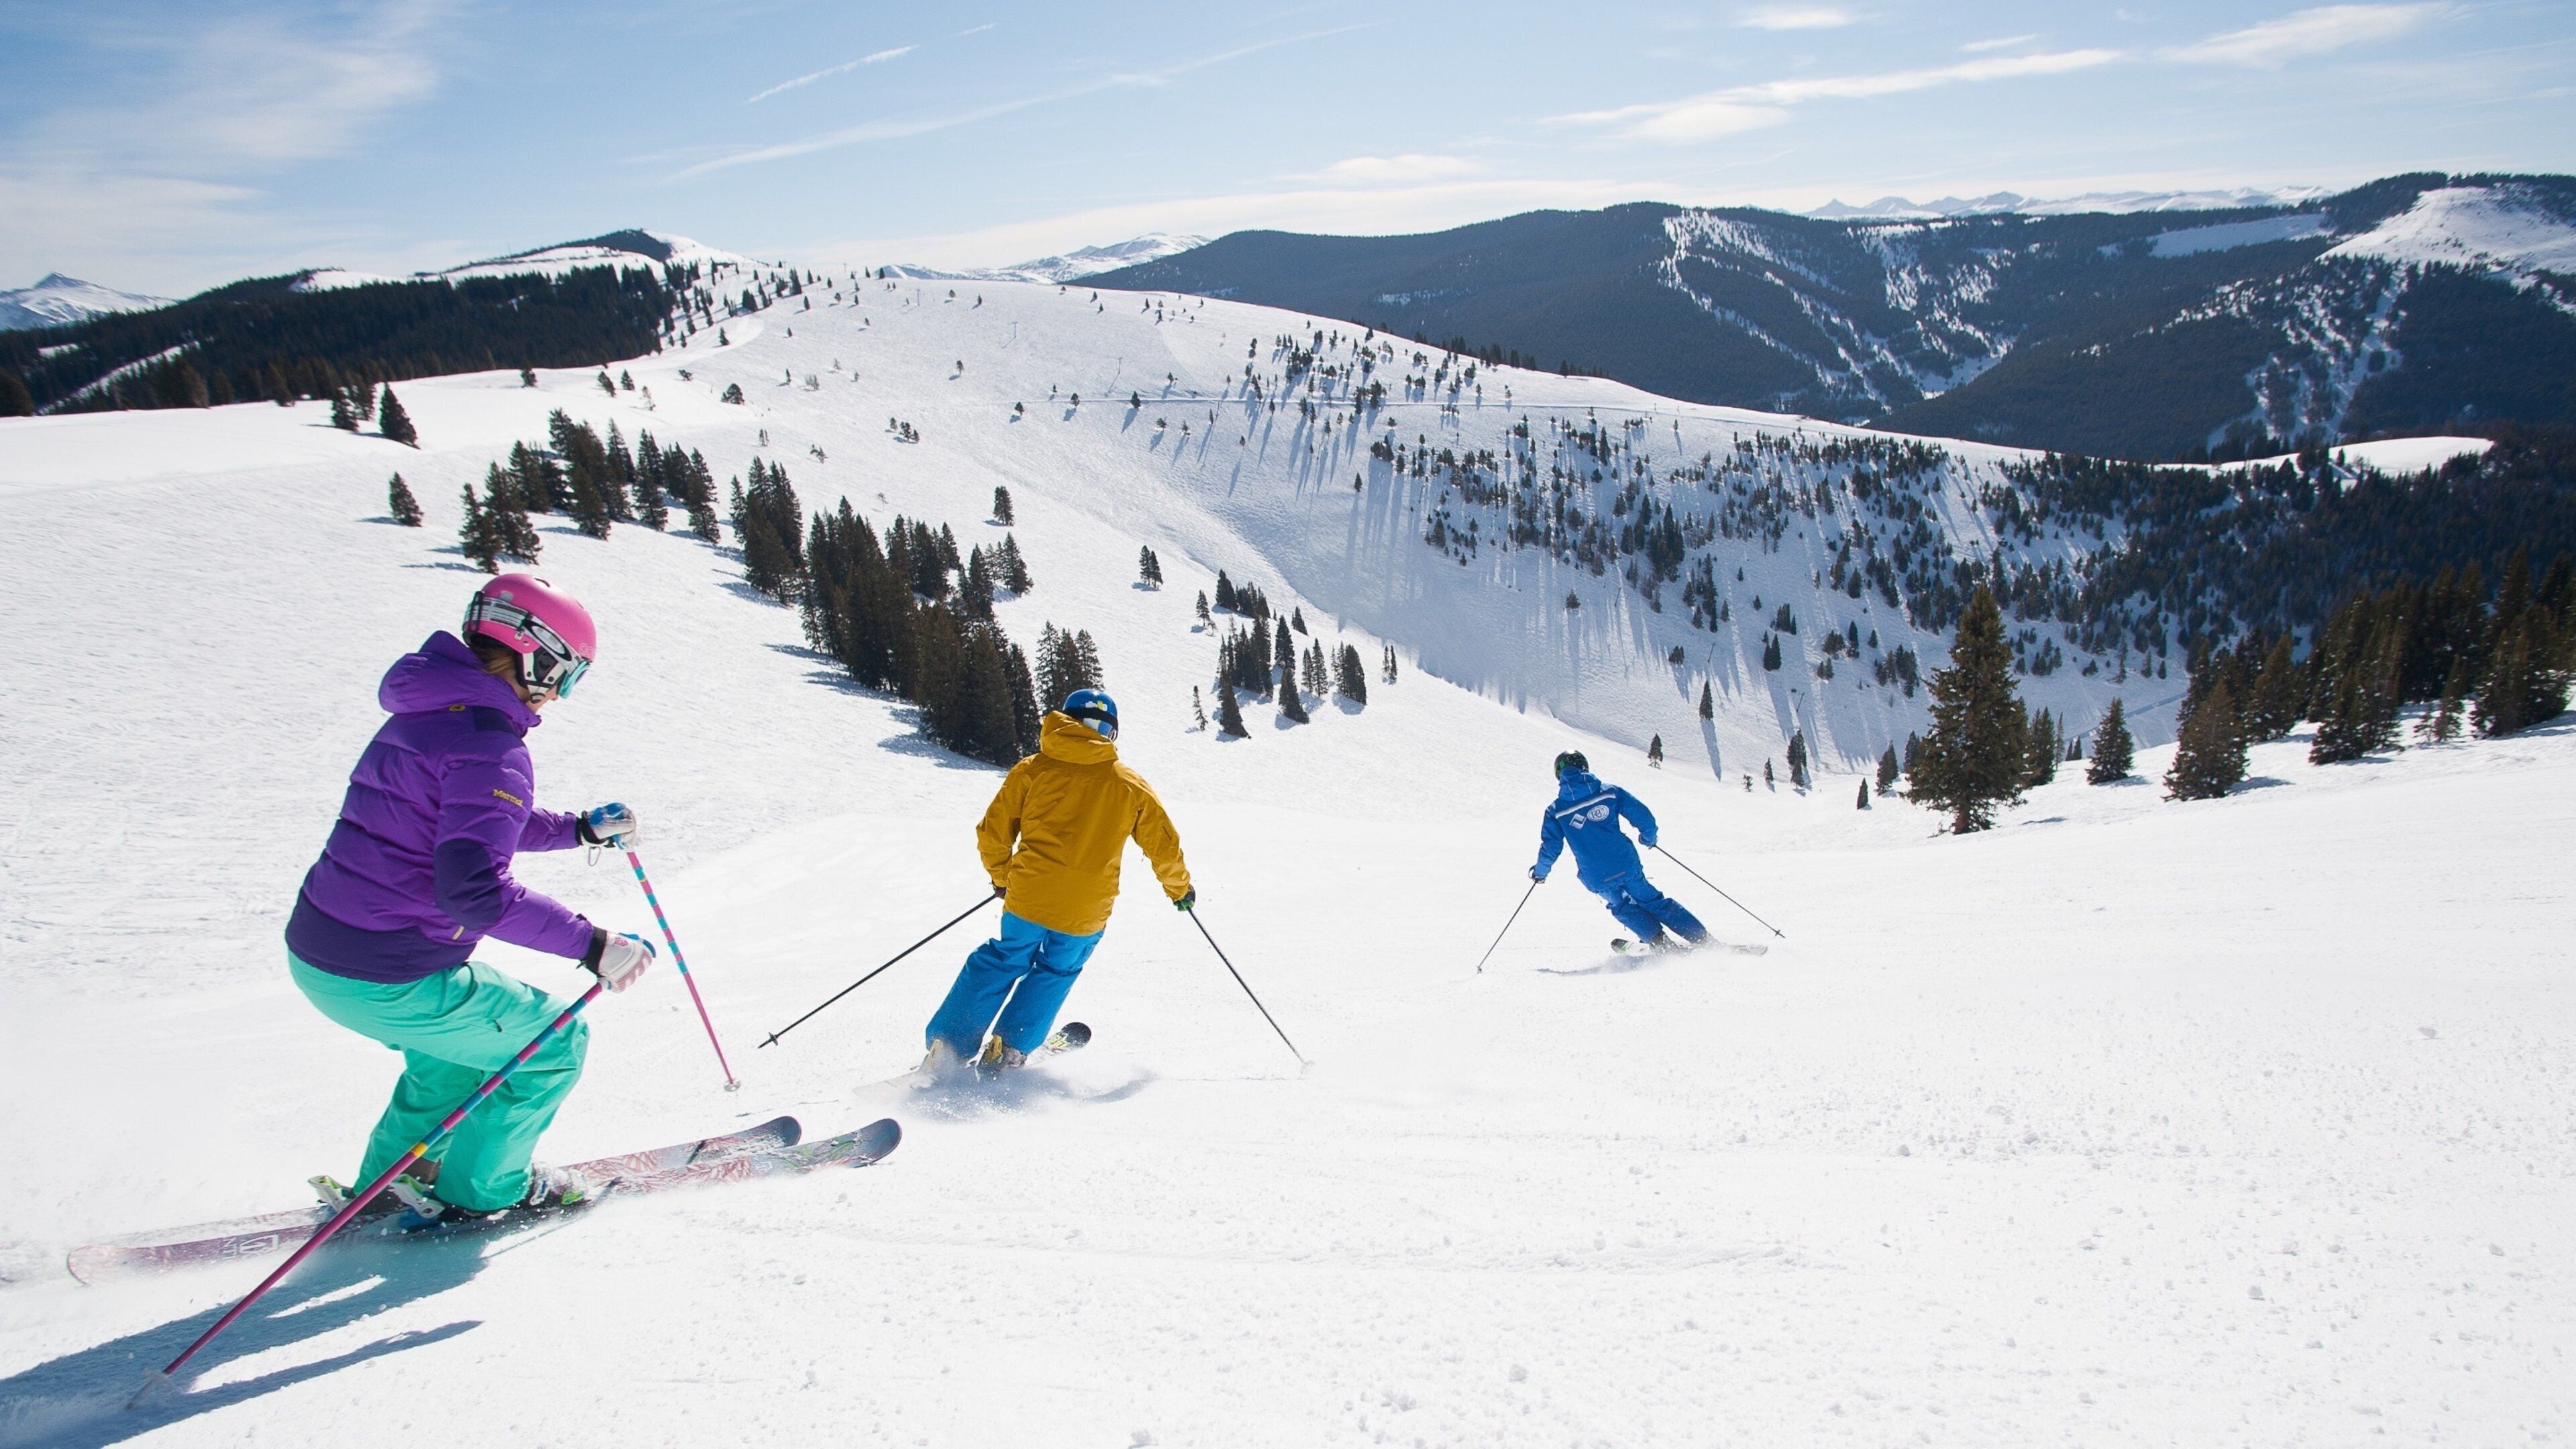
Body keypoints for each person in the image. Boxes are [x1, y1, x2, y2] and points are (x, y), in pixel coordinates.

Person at [284, 574, 657, 1221]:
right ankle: (482, 1192)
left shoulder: (427, 714)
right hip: (392, 973)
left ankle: (392, 1185)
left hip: (324, 957)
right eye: (566, 675)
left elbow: (466, 823)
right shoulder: (491, 743)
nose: (561, 694)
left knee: (453, 1062)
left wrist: (576, 829)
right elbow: (474, 891)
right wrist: (596, 945)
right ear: (533, 652)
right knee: (552, 1046)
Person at [922, 688, 1192, 1076]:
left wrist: (1003, 878)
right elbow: (1163, 845)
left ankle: (948, 1044)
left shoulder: (1032, 769)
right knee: (1057, 970)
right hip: (1087, 908)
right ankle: (1011, 1047)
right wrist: (1179, 890)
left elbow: (993, 833)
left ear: (1066, 721)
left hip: (1029, 894)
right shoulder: (1128, 783)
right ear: (1109, 734)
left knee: (1003, 959)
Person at [1529, 751, 1709, 951]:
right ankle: (1703, 939)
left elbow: (1551, 847)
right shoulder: (1610, 792)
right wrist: (1648, 838)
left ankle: (1660, 944)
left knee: (1622, 907)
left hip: (1596, 875)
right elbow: (1643, 816)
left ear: (1558, 774)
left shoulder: (1556, 811)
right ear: (1584, 767)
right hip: (1625, 864)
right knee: (1653, 901)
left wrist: (1540, 873)